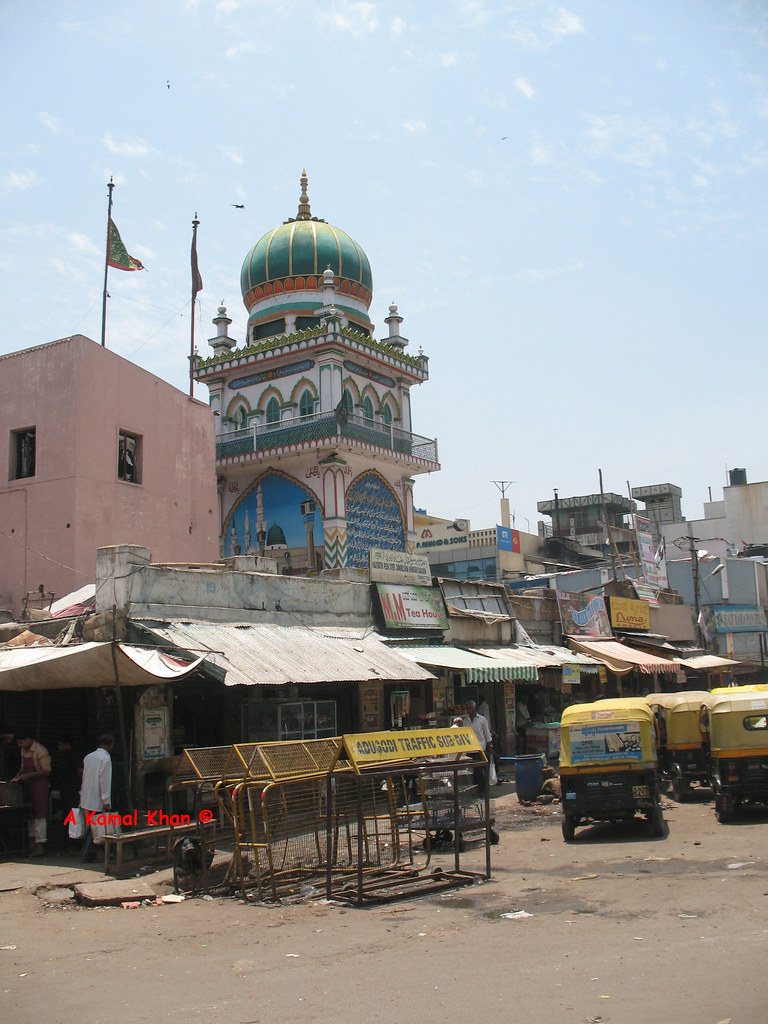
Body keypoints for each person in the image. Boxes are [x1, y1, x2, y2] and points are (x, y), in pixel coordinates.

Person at [11, 734, 51, 857]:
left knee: (40, 815)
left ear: (28, 739)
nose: (20, 745)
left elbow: (46, 771)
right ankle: (31, 843)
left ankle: (40, 845)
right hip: (28, 786)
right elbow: (23, 768)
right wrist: (17, 777)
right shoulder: (23, 750)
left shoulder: (40, 750)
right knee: (30, 815)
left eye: (21, 742)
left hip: (40, 786)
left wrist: (29, 776)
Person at [79, 734, 114, 864]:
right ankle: (87, 855)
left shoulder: (89, 757)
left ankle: (107, 852)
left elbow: (85, 777)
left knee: (93, 827)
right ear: (110, 744)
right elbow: (104, 781)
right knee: (96, 828)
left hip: (87, 796)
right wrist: (106, 801)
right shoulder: (105, 759)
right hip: (97, 798)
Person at [463, 700, 493, 796]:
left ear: (474, 709)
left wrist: (490, 745)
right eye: (467, 709)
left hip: (480, 749)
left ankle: (483, 790)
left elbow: (487, 734)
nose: (468, 711)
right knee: (472, 772)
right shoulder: (465, 721)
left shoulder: (482, 720)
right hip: (469, 750)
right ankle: (477, 790)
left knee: (479, 771)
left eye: (470, 708)